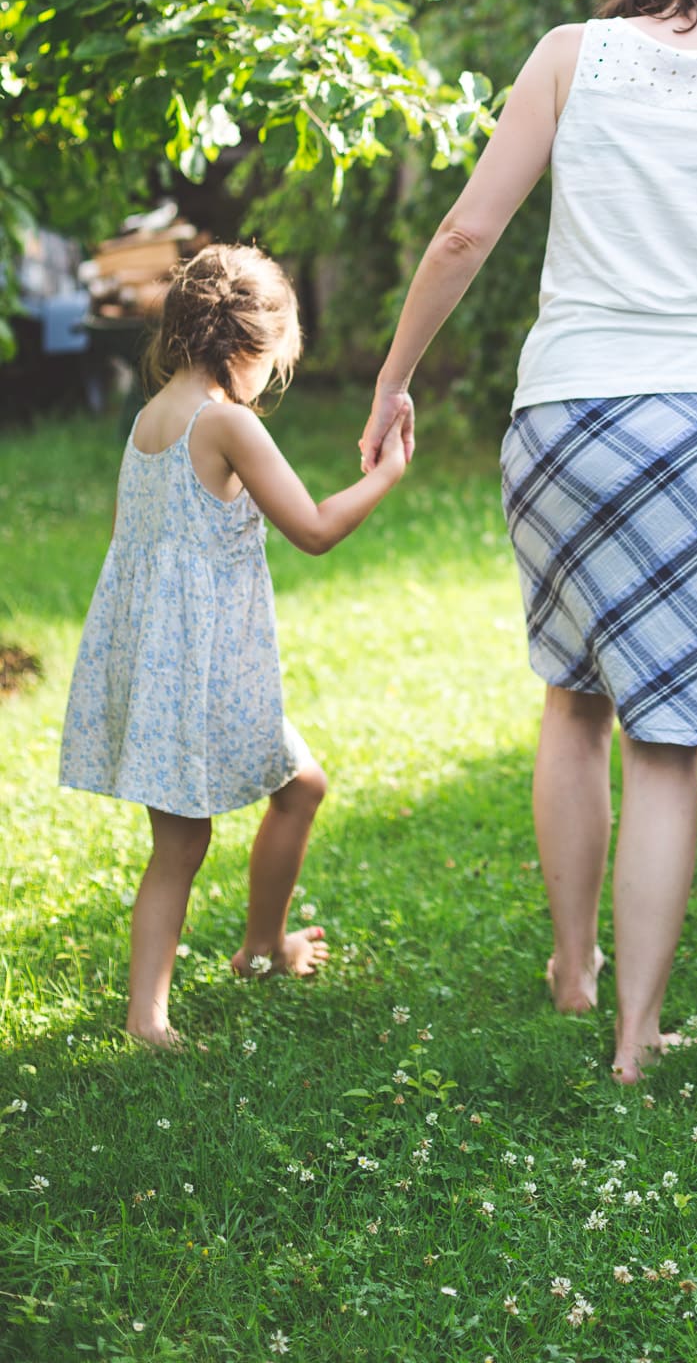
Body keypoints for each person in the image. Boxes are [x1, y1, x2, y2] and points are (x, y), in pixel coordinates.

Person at [359, 0, 697, 1080]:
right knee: (666, 740)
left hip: (565, 416)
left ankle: (573, 970)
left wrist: (392, 375)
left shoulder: (572, 54)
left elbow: (466, 229)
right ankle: (635, 1033)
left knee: (576, 696)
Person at [60, 244, 409, 1049]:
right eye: (275, 358)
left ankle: (262, 948)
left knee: (285, 792)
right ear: (249, 345)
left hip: (165, 668)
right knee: (189, 841)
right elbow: (314, 529)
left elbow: (134, 544)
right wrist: (385, 475)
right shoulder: (226, 422)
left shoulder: (150, 418)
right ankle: (151, 1017)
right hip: (205, 672)